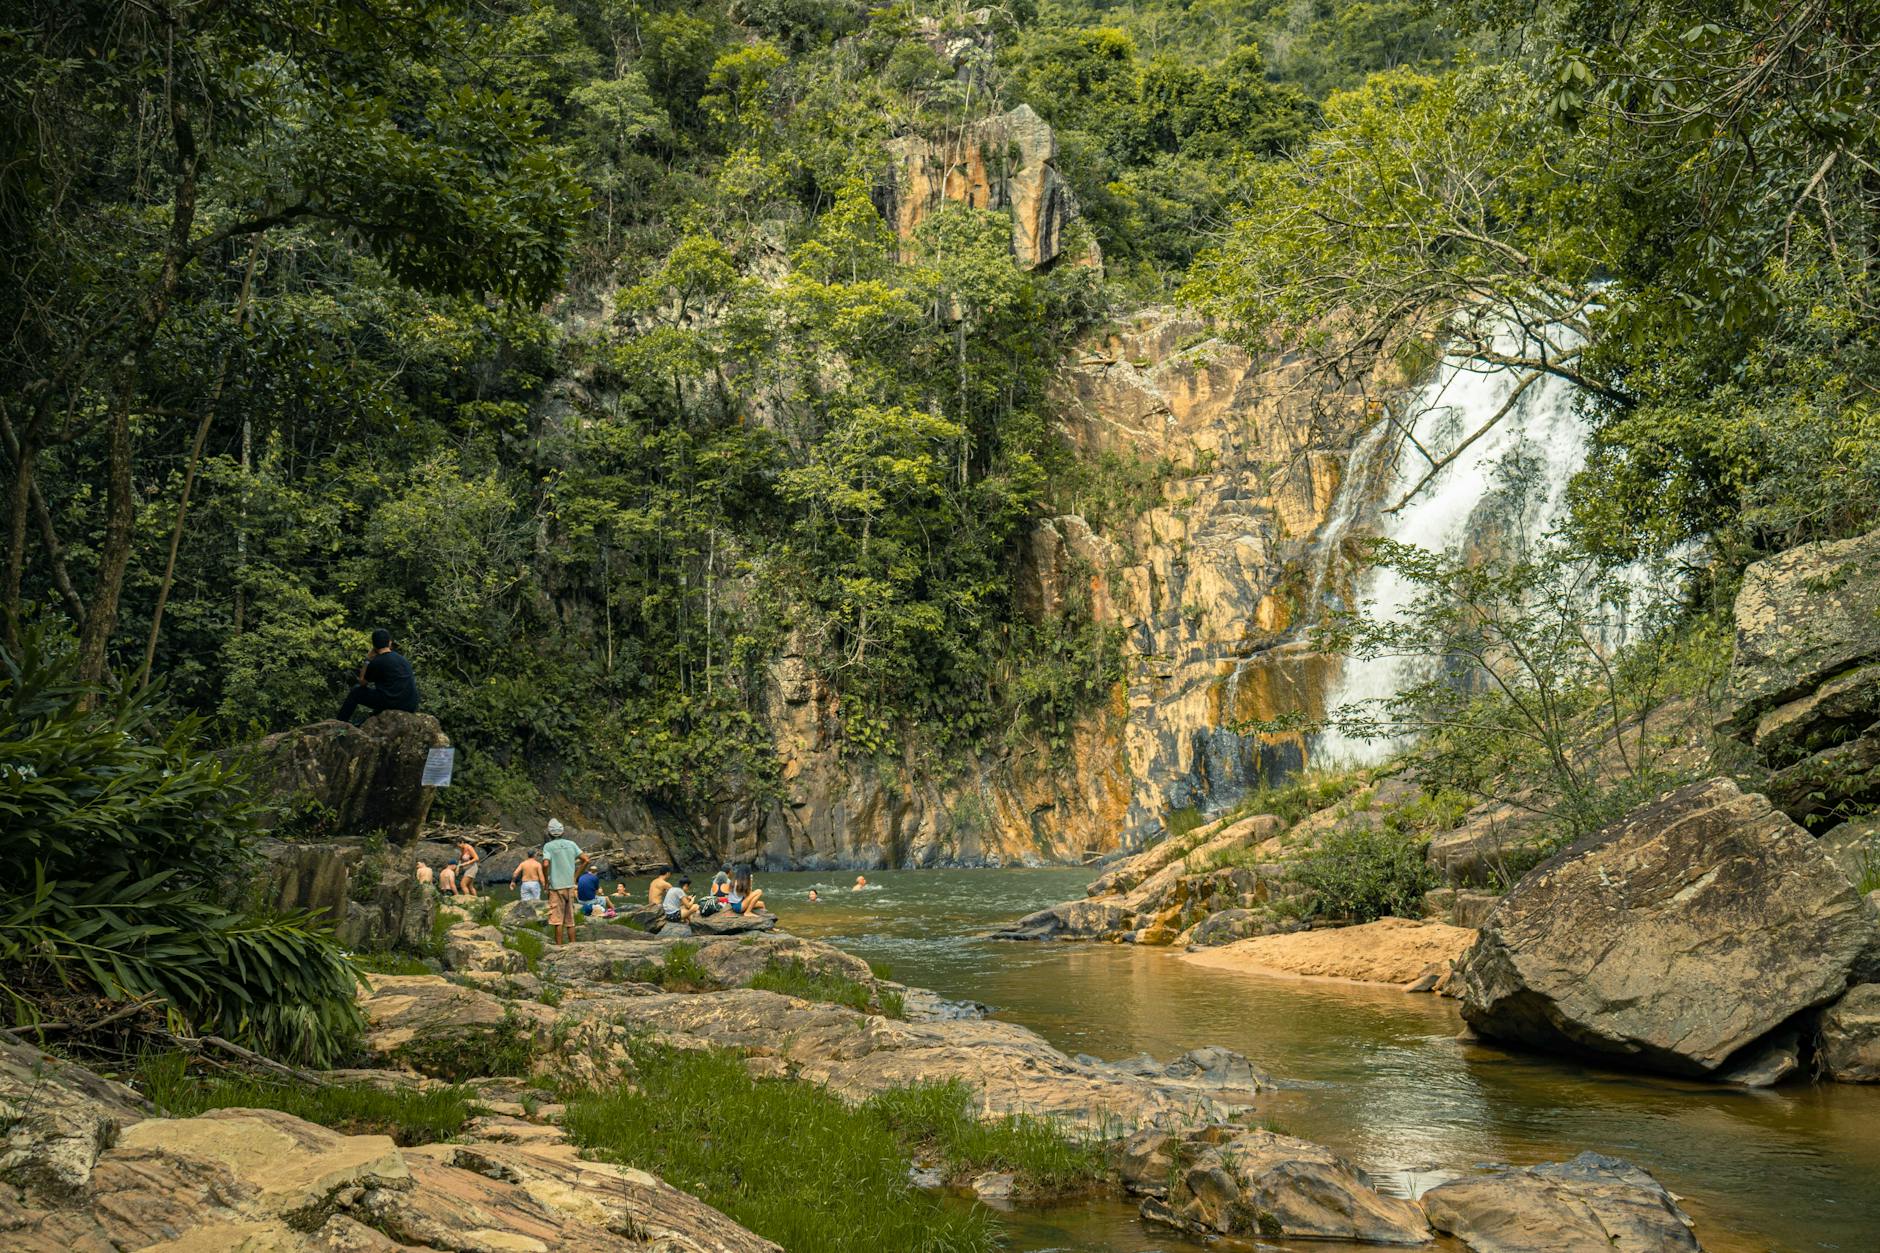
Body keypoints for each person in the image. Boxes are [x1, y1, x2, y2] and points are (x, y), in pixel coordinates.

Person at [337, 628, 420, 722]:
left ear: (374, 646)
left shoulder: (377, 662)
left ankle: (340, 722)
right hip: (410, 704)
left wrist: (367, 660)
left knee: (356, 691)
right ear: (389, 643)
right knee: (386, 692)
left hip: (393, 703)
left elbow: (362, 682)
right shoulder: (402, 659)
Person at [542, 818, 588, 946]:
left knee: (557, 920)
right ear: (562, 832)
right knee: (570, 920)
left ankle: (559, 947)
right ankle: (573, 946)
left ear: (549, 833)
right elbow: (586, 860)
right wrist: (575, 876)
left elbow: (545, 864)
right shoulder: (571, 844)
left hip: (556, 887)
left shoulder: (548, 846)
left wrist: (546, 881)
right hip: (570, 886)